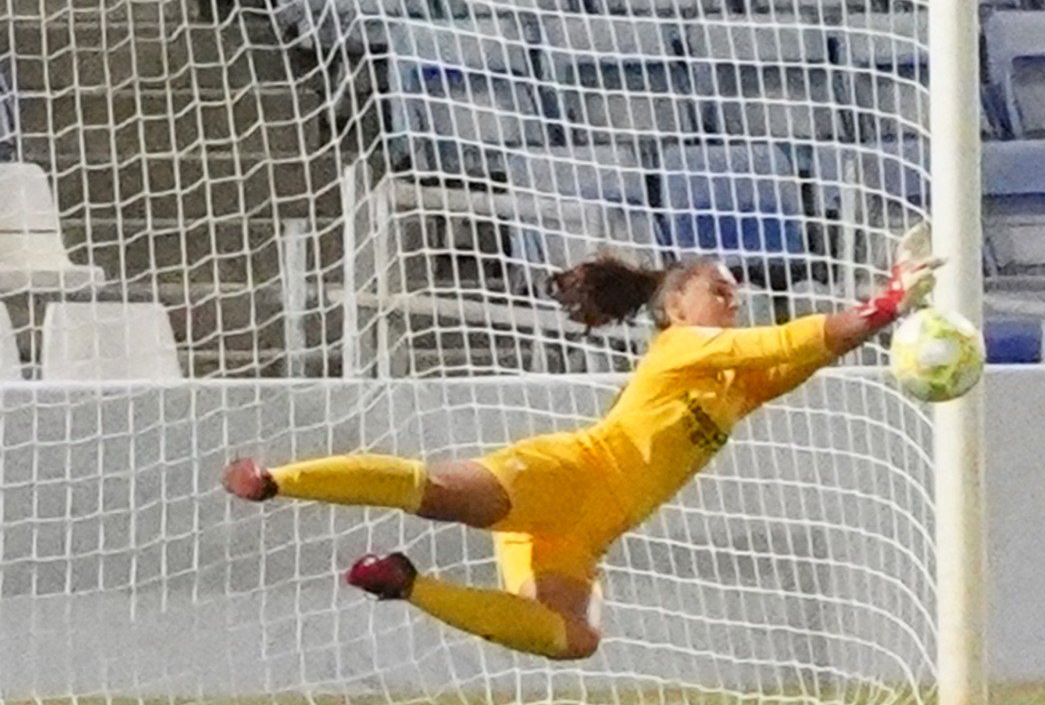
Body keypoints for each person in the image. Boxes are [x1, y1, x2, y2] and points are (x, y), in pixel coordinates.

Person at [222, 234, 941, 662]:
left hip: (587, 530)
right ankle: (276, 480)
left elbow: (806, 355)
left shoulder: (734, 386)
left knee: (574, 639)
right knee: (443, 496)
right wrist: (888, 301)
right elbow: (793, 338)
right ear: (676, 307)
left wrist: (886, 308)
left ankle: (405, 583)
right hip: (567, 474)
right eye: (721, 292)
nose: (735, 303)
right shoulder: (680, 348)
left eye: (736, 295)